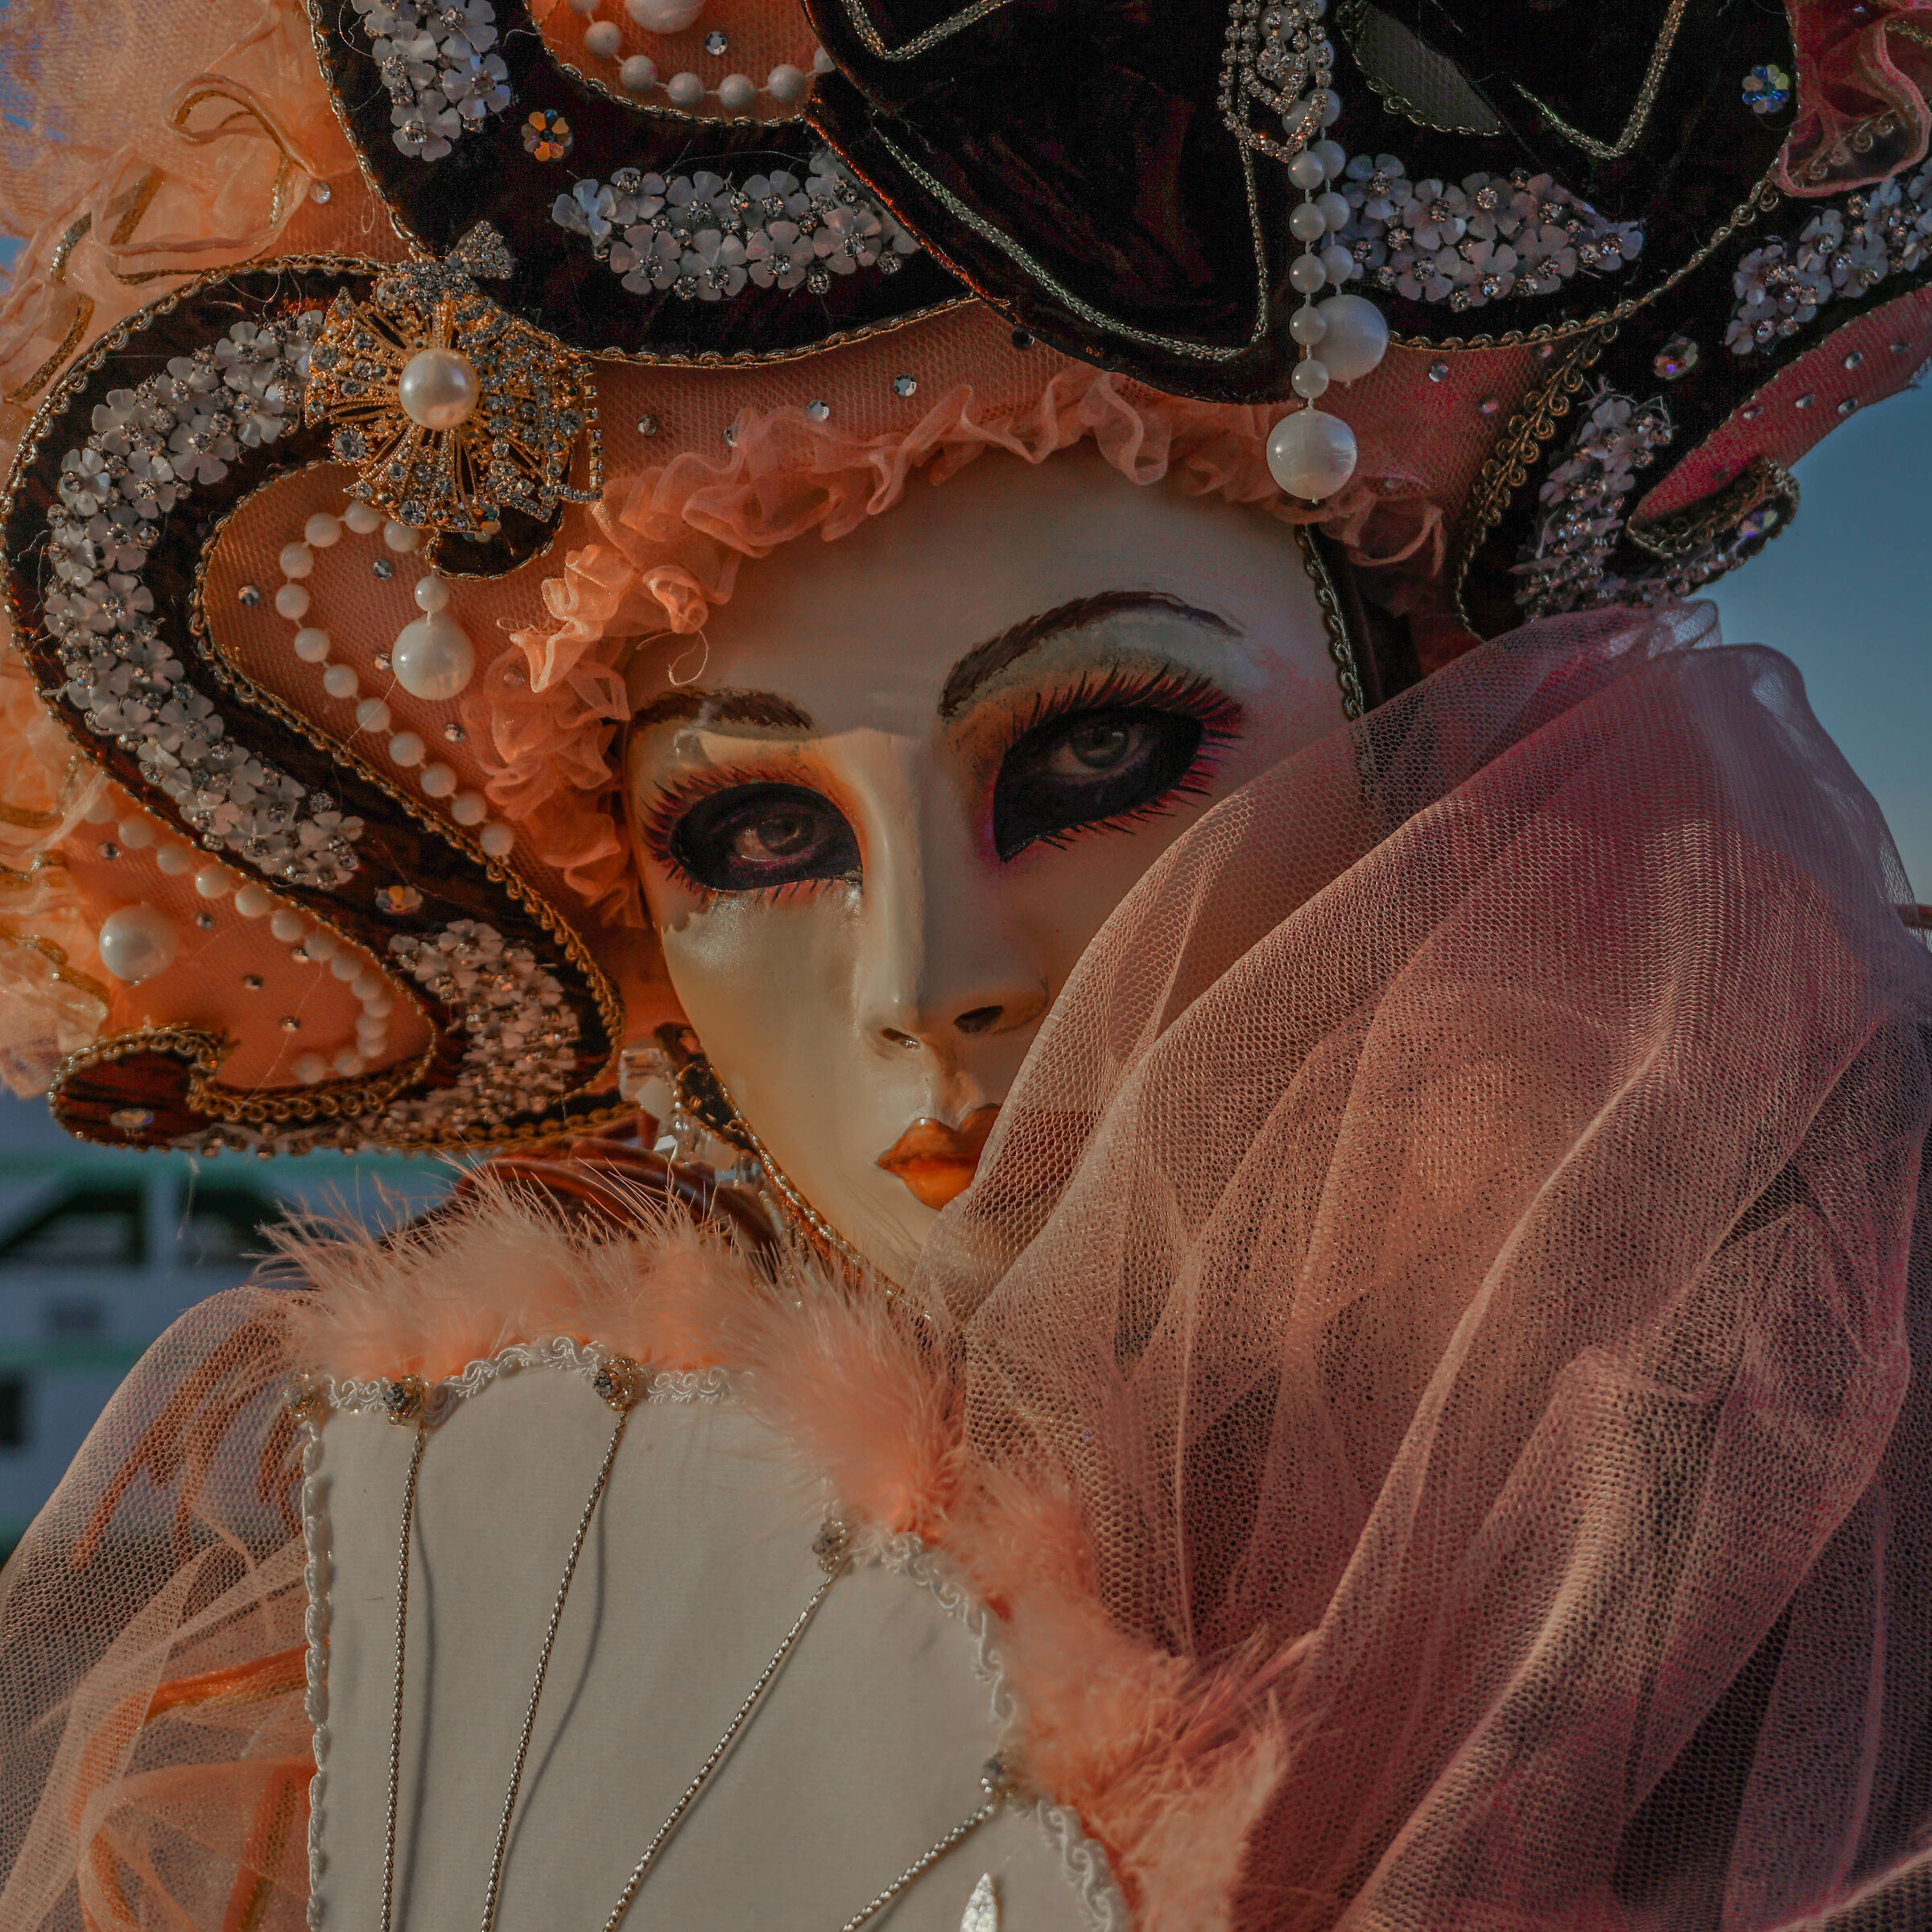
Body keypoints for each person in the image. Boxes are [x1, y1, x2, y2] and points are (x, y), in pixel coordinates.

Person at [1, 0, 1930, 1926]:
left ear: (1429, 754)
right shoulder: (474, 1621)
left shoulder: (1842, 1470)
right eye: (760, 837)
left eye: (1102, 749)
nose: (925, 984)